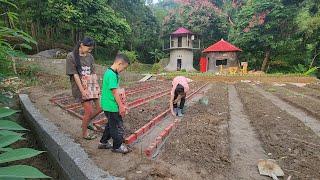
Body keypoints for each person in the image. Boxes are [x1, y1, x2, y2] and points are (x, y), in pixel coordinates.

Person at [66, 37, 102, 140]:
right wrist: (83, 91)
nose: (89, 51)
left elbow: (93, 72)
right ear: (81, 45)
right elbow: (75, 75)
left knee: (100, 107)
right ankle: (84, 133)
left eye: (91, 49)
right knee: (89, 111)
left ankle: (85, 123)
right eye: (88, 48)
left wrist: (97, 87)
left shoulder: (90, 57)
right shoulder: (71, 56)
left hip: (91, 85)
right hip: (79, 88)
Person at [98, 53, 130, 154]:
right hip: (111, 106)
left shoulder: (111, 72)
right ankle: (117, 146)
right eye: (123, 68)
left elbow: (116, 89)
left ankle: (103, 142)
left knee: (110, 124)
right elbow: (115, 92)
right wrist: (121, 106)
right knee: (116, 126)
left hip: (108, 104)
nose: (122, 70)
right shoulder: (111, 74)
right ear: (119, 63)